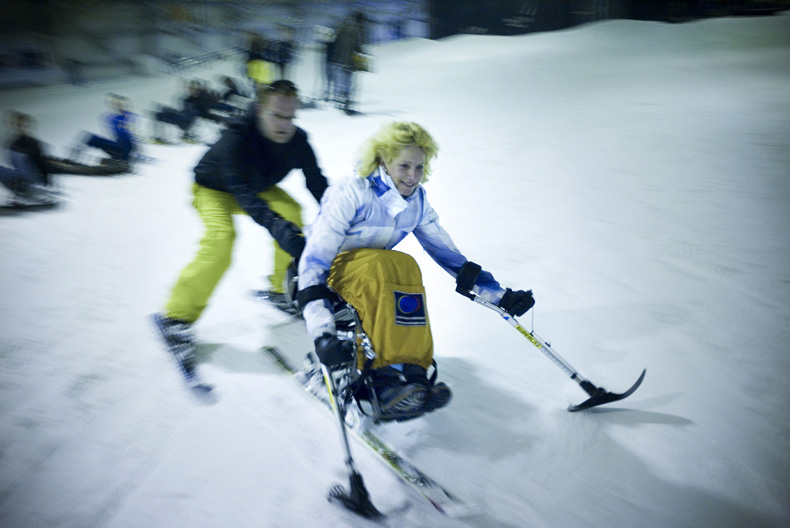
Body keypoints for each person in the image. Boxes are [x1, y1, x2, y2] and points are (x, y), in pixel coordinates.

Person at [296, 122, 535, 422]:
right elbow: (315, 260)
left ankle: (413, 373)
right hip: (329, 273)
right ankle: (380, 380)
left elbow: (447, 253)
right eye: (404, 165)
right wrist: (322, 334)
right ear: (383, 161)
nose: (412, 176)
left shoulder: (416, 201)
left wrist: (499, 295)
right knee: (385, 264)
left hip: (373, 274)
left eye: (419, 167)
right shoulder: (352, 191)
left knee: (406, 265)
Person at [153, 80, 329, 383]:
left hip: (256, 187)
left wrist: (340, 214)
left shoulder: (297, 140)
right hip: (214, 189)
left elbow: (316, 181)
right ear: (260, 110)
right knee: (222, 239)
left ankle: (280, 289)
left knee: (291, 212)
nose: (284, 125)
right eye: (277, 115)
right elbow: (246, 197)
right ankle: (176, 317)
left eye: (290, 117)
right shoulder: (234, 139)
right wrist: (280, 230)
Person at [70, 93, 136, 168]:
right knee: (92, 138)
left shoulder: (128, 118)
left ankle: (120, 161)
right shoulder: (113, 118)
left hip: (126, 151)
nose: (119, 107)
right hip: (119, 149)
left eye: (122, 105)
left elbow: (132, 139)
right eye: (117, 105)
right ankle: (74, 159)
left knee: (96, 140)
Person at [328, 11, 366, 115]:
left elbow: (336, 44)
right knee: (348, 84)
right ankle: (346, 105)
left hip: (342, 60)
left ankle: (342, 102)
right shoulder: (356, 31)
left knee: (344, 83)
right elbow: (357, 47)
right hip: (349, 61)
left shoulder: (343, 29)